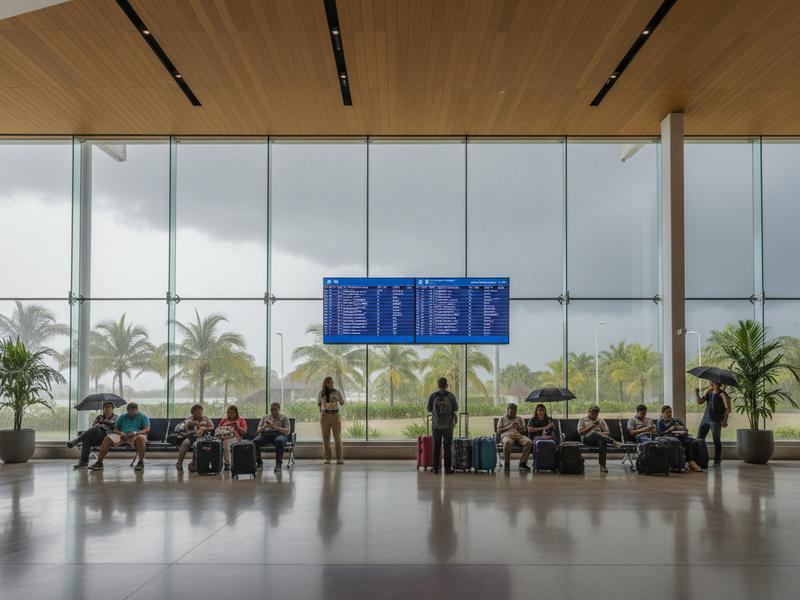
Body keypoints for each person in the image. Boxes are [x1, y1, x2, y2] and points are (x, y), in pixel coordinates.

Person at [89, 402, 150, 471]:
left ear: (136, 410)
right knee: (107, 438)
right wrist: (121, 433)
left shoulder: (143, 417)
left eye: (131, 411)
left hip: (136, 435)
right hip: (122, 435)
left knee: (141, 438)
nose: (129, 413)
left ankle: (140, 462)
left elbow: (147, 429)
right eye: (128, 411)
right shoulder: (123, 417)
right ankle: (99, 462)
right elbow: (115, 429)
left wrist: (136, 433)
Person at [68, 401, 118, 469]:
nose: (107, 409)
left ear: (112, 408)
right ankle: (83, 462)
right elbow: (93, 426)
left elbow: (117, 429)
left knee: (91, 433)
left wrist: (105, 425)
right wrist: (96, 425)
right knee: (87, 438)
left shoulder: (116, 417)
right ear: (103, 408)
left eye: (109, 407)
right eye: (105, 407)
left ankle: (76, 441)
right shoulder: (99, 417)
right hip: (98, 435)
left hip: (108, 437)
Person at [657, 405, 704, 472]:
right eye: (667, 412)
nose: (669, 414)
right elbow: (660, 434)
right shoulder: (661, 422)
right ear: (663, 413)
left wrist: (682, 428)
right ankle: (691, 462)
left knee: (696, 442)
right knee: (686, 442)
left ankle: (697, 463)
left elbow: (686, 430)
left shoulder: (677, 420)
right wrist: (669, 429)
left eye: (670, 412)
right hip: (670, 438)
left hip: (682, 436)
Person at [695, 382, 731, 467]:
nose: (710, 383)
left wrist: (725, 420)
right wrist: (696, 393)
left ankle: (717, 460)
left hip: (716, 420)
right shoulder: (709, 392)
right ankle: (698, 458)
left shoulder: (723, 394)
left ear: (717, 384)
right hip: (706, 419)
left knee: (716, 440)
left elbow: (728, 409)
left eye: (712, 382)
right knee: (699, 439)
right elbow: (700, 402)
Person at [427, 377, 458, 474]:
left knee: (436, 446)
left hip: (436, 425)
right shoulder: (451, 396)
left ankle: (435, 468)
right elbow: (456, 408)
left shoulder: (433, 396)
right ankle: (448, 468)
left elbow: (429, 408)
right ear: (446, 385)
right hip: (448, 426)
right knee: (447, 446)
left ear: (438, 385)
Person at [577, 405, 618, 473]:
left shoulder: (601, 421)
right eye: (593, 412)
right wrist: (592, 426)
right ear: (589, 412)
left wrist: (600, 433)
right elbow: (580, 432)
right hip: (587, 439)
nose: (594, 414)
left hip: (599, 439)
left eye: (596, 413)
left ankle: (602, 466)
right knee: (594, 433)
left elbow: (607, 432)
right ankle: (612, 441)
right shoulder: (583, 420)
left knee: (603, 441)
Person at [174, 404, 214, 472]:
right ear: (193, 412)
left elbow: (212, 427)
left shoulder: (206, 418)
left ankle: (194, 463)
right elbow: (182, 428)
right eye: (197, 412)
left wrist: (205, 428)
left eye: (200, 412)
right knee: (185, 443)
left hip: (204, 437)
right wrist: (189, 425)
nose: (199, 413)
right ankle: (179, 463)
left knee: (197, 444)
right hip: (191, 436)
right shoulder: (189, 419)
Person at [253, 402, 291, 472]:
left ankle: (278, 464)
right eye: (271, 409)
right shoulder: (265, 417)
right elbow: (258, 430)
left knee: (279, 441)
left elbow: (287, 431)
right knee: (255, 442)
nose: (272, 411)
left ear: (279, 409)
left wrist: (276, 427)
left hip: (279, 434)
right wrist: (265, 426)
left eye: (275, 409)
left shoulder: (284, 418)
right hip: (266, 435)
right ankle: (259, 463)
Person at [497, 402, 532, 472]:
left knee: (528, 442)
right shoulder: (502, 418)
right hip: (507, 436)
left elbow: (524, 430)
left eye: (515, 412)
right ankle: (507, 463)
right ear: (507, 410)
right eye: (511, 412)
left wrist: (519, 427)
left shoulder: (519, 418)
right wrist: (509, 427)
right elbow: (498, 431)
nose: (513, 414)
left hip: (518, 436)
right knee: (507, 443)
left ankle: (522, 463)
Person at [318, 376, 345, 464]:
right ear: (325, 383)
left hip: (335, 415)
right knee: (326, 438)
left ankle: (339, 458)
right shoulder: (321, 393)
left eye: (332, 382)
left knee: (337, 438)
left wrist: (338, 399)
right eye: (329, 382)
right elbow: (319, 405)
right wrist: (322, 411)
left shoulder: (337, 392)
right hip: (324, 415)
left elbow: (342, 403)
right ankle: (328, 458)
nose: (331, 384)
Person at [216, 405, 248, 471]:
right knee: (216, 443)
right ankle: (216, 464)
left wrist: (237, 426)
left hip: (235, 437)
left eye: (233, 413)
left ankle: (227, 464)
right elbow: (218, 429)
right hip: (222, 436)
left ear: (236, 413)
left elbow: (244, 432)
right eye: (229, 413)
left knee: (226, 442)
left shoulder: (241, 420)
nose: (231, 414)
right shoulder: (224, 420)